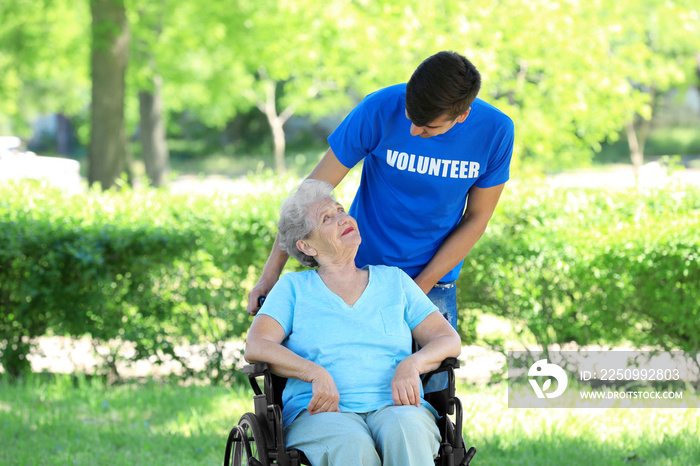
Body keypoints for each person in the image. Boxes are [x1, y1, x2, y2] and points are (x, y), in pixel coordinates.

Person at [245, 179, 462, 466]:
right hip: (322, 413)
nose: (343, 218)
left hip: (397, 406)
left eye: (341, 210)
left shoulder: (394, 281)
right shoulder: (293, 289)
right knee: (352, 444)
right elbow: (257, 345)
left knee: (405, 430)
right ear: (306, 245)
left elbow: (448, 340)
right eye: (327, 218)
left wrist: (413, 364)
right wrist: (314, 373)